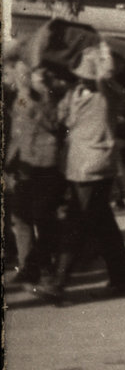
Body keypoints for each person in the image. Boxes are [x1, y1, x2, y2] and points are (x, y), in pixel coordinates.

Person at [35, 43, 125, 303]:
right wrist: (48, 91)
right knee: (104, 224)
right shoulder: (74, 91)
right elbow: (62, 121)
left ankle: (58, 283)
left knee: (77, 221)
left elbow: (106, 78)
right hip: (76, 164)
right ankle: (123, 280)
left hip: (96, 165)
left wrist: (102, 52)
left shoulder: (111, 93)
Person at [5, 61, 68, 285]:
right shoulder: (21, 97)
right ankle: (27, 266)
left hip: (45, 164)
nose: (16, 76)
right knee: (20, 217)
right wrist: (10, 164)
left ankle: (46, 267)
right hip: (23, 163)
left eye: (23, 73)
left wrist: (37, 94)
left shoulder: (50, 96)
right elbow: (19, 129)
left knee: (43, 218)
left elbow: (54, 124)